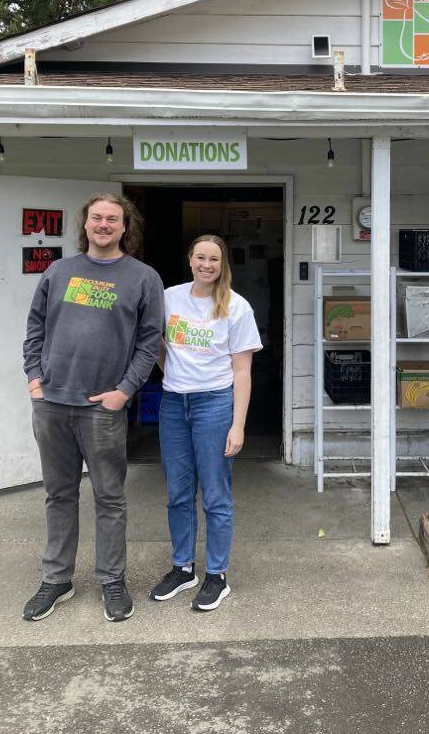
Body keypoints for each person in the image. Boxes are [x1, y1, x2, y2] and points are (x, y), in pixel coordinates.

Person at [21, 193, 164, 623]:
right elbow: (35, 327)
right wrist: (33, 376)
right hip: (52, 404)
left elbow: (149, 342)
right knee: (58, 494)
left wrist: (124, 391)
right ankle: (57, 579)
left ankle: (112, 580)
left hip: (102, 408)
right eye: (97, 218)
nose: (103, 224)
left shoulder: (143, 278)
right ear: (85, 224)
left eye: (112, 219)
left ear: (125, 228)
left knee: (110, 497)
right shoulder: (59, 271)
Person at [149, 234, 262, 611]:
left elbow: (242, 370)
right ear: (190, 259)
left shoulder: (236, 307)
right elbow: (160, 346)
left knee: (215, 495)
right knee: (178, 494)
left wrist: (238, 424)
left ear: (222, 263)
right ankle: (183, 568)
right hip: (173, 405)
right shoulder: (169, 297)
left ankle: (217, 575)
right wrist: (174, 377)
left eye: (214, 259)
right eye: (201, 257)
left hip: (215, 405)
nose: (207, 264)